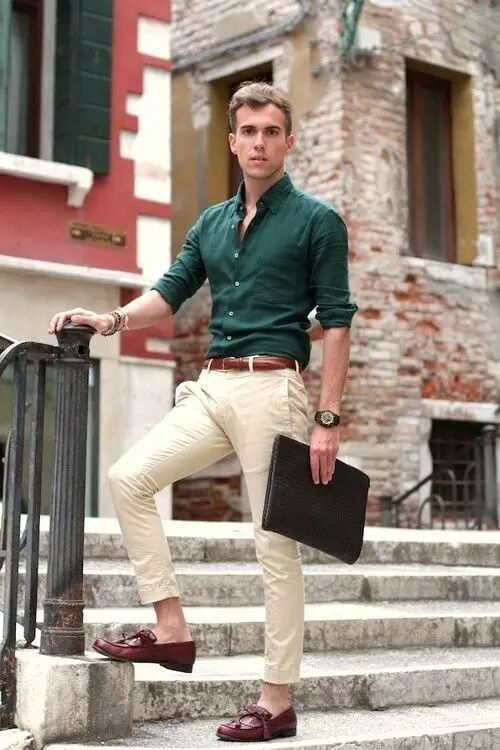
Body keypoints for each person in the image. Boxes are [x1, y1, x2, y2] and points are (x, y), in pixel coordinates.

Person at [48, 81, 358, 743]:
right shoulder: (212, 223)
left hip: (272, 389)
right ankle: (171, 628)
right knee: (130, 478)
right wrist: (108, 319)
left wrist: (327, 420)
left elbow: (336, 321)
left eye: (271, 131)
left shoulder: (317, 222)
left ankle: (276, 702)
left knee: (275, 549)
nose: (259, 143)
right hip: (212, 385)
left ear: (288, 140)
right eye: (248, 131)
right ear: (232, 140)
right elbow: (169, 292)